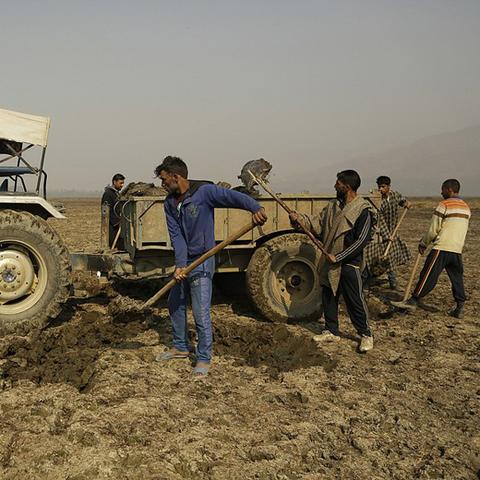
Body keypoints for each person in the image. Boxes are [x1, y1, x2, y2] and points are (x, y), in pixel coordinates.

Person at [154, 156, 267, 376]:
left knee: (200, 310)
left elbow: (233, 197)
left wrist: (255, 207)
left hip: (204, 259)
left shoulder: (204, 193)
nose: (162, 184)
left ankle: (204, 357)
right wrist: (180, 265)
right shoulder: (169, 203)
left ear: (176, 177)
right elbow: (176, 236)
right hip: (185, 260)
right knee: (175, 301)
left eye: (165, 180)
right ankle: (180, 346)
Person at [289, 170, 375, 353]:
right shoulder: (333, 206)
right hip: (330, 260)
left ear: (347, 187)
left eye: (338, 184)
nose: (335, 186)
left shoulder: (363, 210)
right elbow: (317, 224)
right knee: (328, 296)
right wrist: (299, 219)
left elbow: (361, 240)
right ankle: (331, 330)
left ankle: (366, 334)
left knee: (354, 300)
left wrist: (339, 257)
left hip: (350, 262)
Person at [392, 179, 470, 318]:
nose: (441, 192)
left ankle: (414, 300)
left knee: (428, 275)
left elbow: (433, 229)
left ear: (449, 189)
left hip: (442, 247)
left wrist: (423, 243)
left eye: (443, 189)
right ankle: (460, 305)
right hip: (457, 249)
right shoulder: (466, 207)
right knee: (457, 278)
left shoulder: (444, 205)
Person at [364, 175, 411, 289]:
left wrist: (406, 203)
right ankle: (368, 280)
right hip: (379, 233)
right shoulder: (377, 201)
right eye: (379, 187)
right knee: (373, 257)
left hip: (393, 231)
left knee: (391, 257)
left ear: (389, 187)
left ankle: (393, 282)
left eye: (383, 187)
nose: (380, 189)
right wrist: (387, 235)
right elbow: (380, 220)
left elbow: (402, 200)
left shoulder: (394, 195)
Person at [101, 173, 125, 248]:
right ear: (114, 182)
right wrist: (117, 222)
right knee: (114, 244)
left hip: (117, 224)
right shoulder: (108, 194)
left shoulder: (116, 193)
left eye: (123, 183)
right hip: (111, 225)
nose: (122, 185)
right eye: (120, 183)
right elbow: (107, 211)